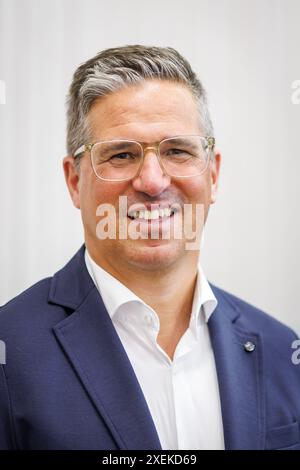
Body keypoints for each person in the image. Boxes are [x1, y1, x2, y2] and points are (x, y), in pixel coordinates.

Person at [0, 45, 300, 451]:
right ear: (74, 182)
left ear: (213, 174)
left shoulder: (285, 352)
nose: (154, 182)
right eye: (121, 154)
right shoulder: (9, 353)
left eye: (177, 150)